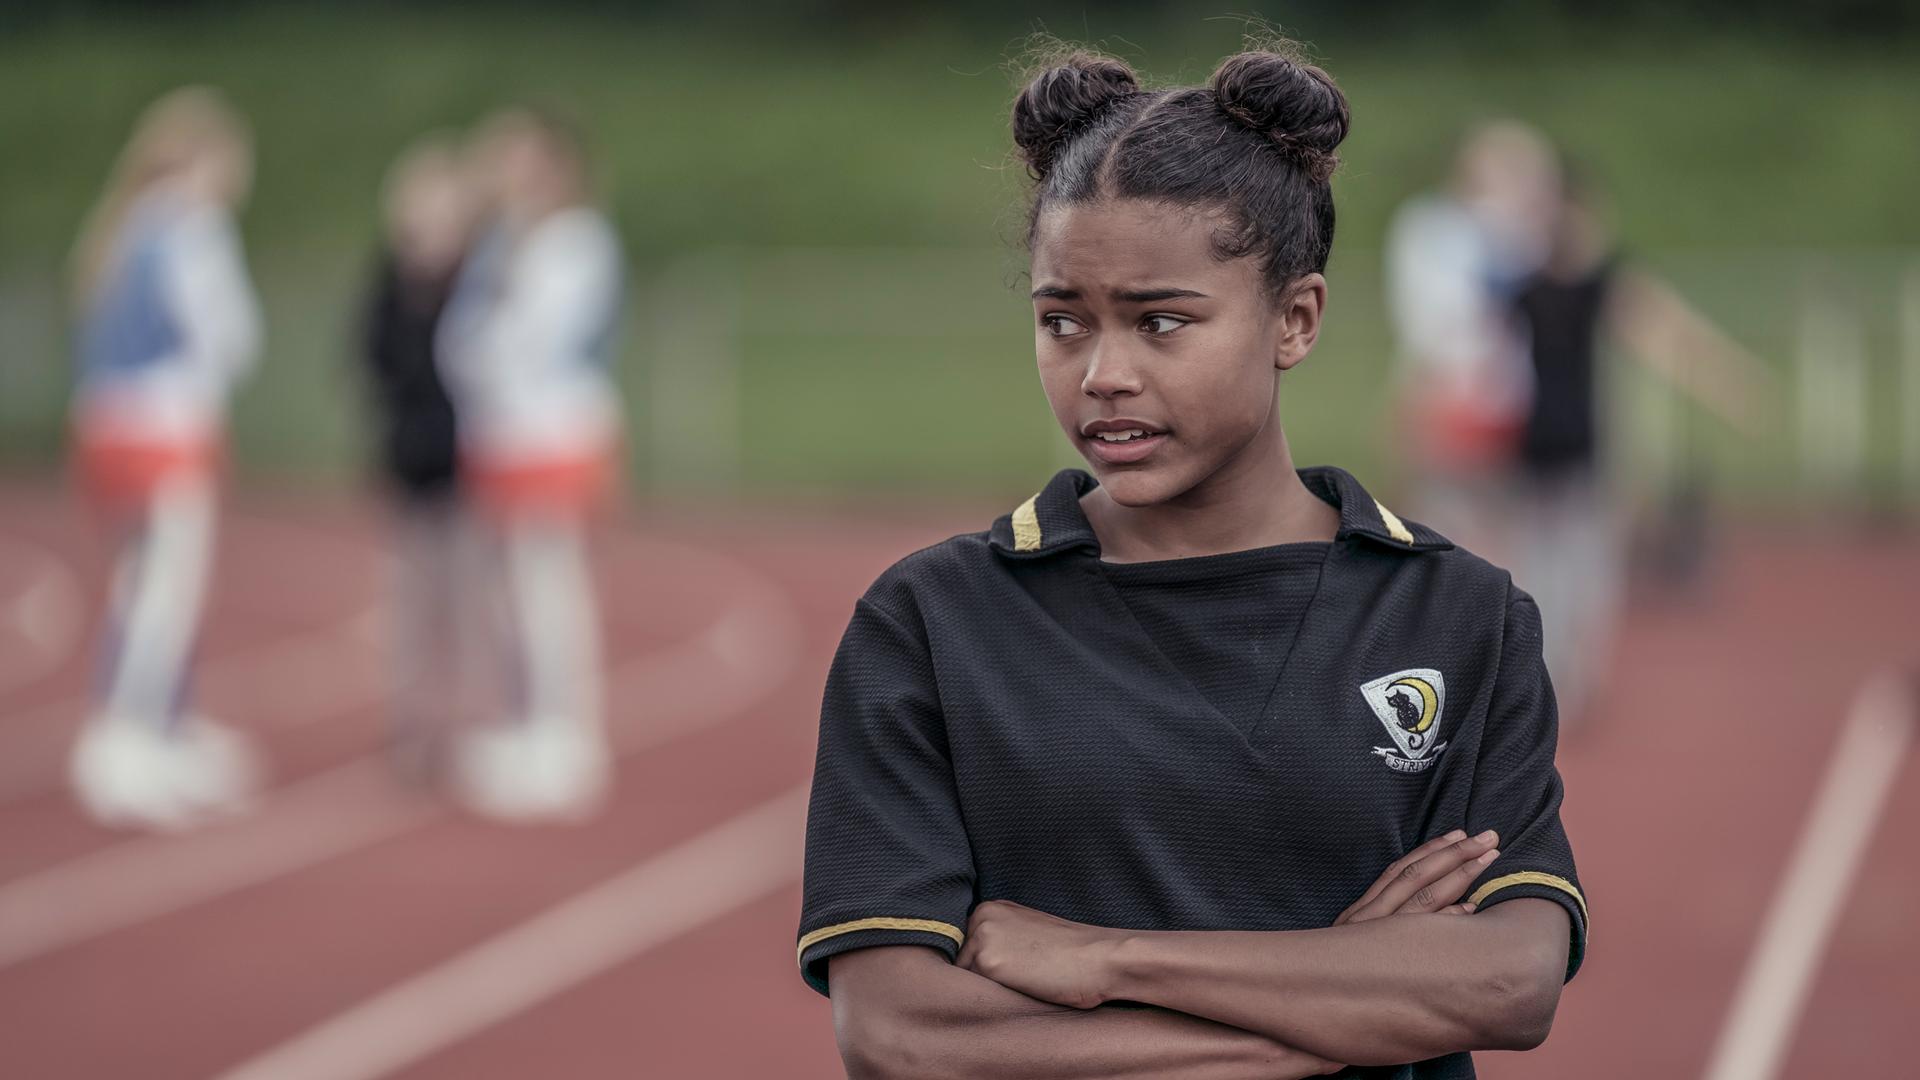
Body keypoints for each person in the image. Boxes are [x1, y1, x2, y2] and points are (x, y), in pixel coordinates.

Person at [798, 44, 1586, 1079]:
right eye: (1062, 322)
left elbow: (1509, 983)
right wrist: (1351, 997)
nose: (1103, 373)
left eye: (1161, 321)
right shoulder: (931, 623)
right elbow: (902, 1036)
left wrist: (1105, 960)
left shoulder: (1456, 616)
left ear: (1294, 320)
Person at [1505, 158, 1771, 724]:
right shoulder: (1521, 291)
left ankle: (1573, 676)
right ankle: (1546, 675)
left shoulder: (1603, 285)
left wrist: (1731, 383)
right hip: (1532, 448)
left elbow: (1670, 335)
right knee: (1539, 565)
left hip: (1588, 448)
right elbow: (1471, 364)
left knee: (1587, 565)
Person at [65, 87, 263, 830]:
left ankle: (158, 727)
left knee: (137, 586)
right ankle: (128, 736)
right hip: (166, 430)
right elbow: (229, 336)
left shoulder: (121, 226)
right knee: (163, 593)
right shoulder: (193, 226)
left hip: (107, 427)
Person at [435, 107, 623, 823]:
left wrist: (487, 354)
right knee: (506, 594)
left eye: (510, 161)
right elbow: (459, 344)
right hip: (500, 437)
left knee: (550, 588)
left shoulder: (577, 240)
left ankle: (567, 735)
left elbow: (532, 341)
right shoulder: (498, 245)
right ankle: (523, 726)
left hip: (555, 437)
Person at [357, 134, 482, 780]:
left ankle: (465, 730)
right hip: (411, 467)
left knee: (468, 606)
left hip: (471, 469)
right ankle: (413, 729)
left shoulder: (478, 276)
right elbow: (371, 359)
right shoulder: (390, 280)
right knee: (410, 608)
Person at [1383, 121, 1561, 567]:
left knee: (1505, 535)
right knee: (1444, 530)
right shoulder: (1441, 228)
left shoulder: (1527, 234)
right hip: (1452, 397)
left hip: (1509, 404)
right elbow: (1435, 322)